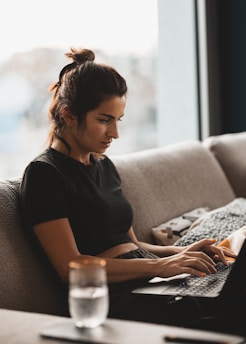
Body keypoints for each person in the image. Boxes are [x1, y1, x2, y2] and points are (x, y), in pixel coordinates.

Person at [20, 47, 236, 328]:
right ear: (69, 114)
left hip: (149, 279)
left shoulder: (105, 167)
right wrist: (160, 266)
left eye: (118, 120)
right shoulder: (44, 174)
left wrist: (182, 253)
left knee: (232, 291)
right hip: (116, 297)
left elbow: (132, 245)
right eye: (103, 120)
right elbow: (70, 268)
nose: (115, 133)